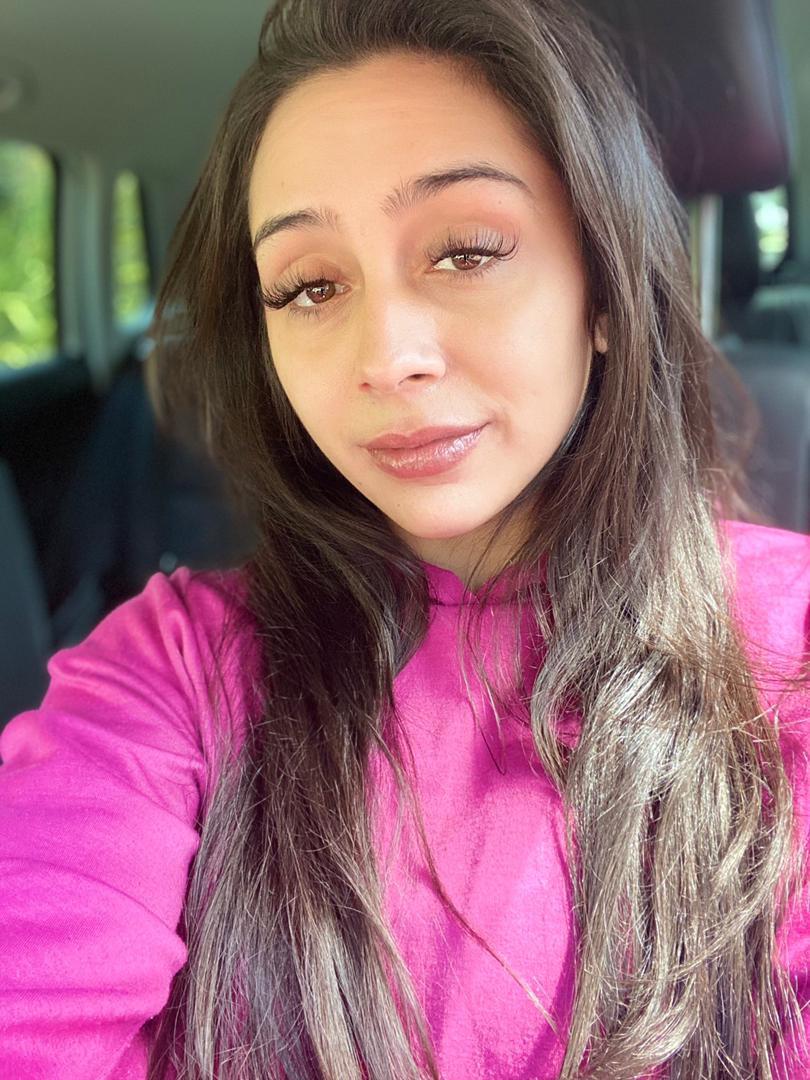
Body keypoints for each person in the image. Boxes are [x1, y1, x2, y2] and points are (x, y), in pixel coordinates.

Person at [1, 0, 809, 1076]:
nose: (384, 356)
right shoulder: (171, 671)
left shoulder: (788, 645)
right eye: (310, 286)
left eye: (466, 252)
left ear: (605, 292)